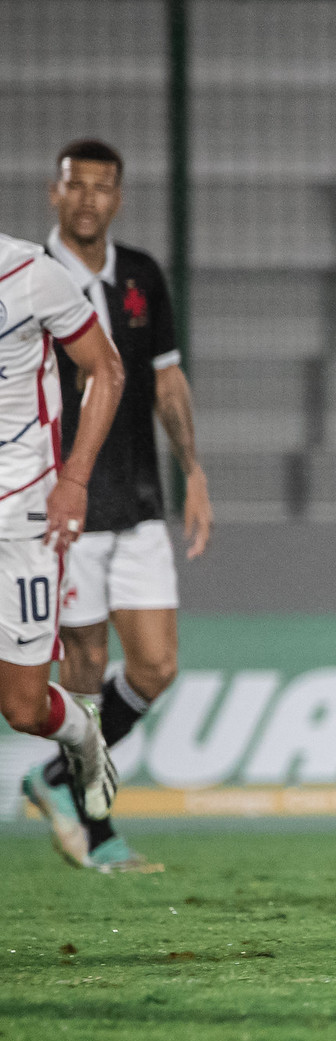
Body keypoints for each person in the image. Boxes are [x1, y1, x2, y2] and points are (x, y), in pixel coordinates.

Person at [22, 139, 211, 874]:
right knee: (86, 671)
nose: (89, 198)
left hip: (136, 502)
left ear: (119, 197)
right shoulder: (29, 280)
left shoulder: (140, 276)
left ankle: (54, 779)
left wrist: (192, 470)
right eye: (77, 185)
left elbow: (166, 382)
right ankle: (100, 838)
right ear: (54, 193)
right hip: (63, 510)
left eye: (103, 186)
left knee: (156, 665)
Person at [0, 229, 125, 826]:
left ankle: (82, 738)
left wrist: (74, 479)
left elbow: (106, 368)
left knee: (23, 709)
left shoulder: (28, 272)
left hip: (23, 513)